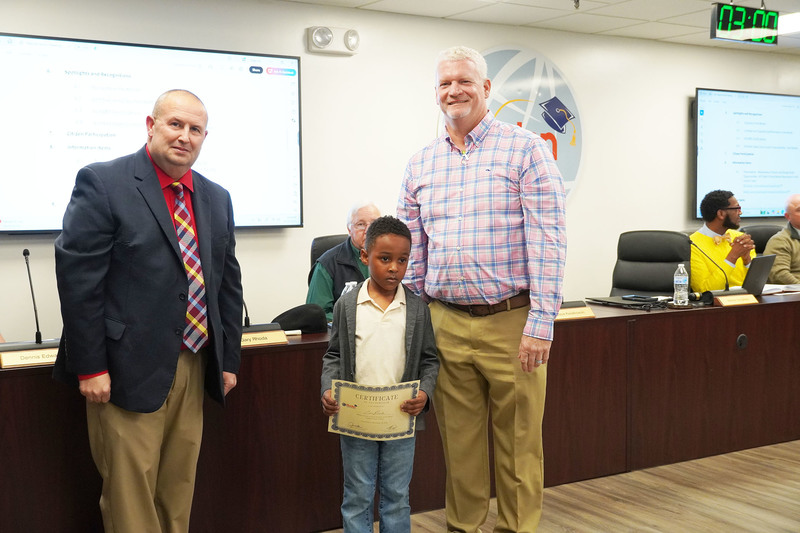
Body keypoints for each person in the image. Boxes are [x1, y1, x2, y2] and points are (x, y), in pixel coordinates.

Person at [54, 89, 243, 533]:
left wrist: (228, 360)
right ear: (150, 125)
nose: (185, 136)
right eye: (175, 124)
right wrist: (90, 367)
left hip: (193, 363)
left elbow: (227, 285)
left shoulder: (217, 197)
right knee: (130, 494)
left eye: (195, 129)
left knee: (178, 486)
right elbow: (79, 284)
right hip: (123, 369)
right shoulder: (103, 182)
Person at [397, 46, 567, 532]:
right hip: (445, 321)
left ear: (487, 88)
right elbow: (414, 252)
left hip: (512, 323)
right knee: (460, 444)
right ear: (436, 93)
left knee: (518, 446)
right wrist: (414, 324)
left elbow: (549, 241)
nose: (455, 90)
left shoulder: (526, 150)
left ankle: (516, 528)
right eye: (445, 83)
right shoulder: (421, 164)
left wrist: (541, 324)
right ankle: (464, 527)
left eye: (465, 81)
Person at [320, 215, 439, 533]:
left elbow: (430, 361)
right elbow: (333, 356)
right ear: (364, 256)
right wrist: (329, 390)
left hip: (401, 421)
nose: (394, 268)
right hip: (356, 420)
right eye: (384, 259)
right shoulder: (348, 306)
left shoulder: (417, 309)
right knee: (357, 497)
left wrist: (424, 394)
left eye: (402, 260)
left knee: (397, 497)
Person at [307, 202, 381, 322]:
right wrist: (356, 321)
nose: (368, 230)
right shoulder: (327, 264)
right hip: (346, 334)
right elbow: (317, 314)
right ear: (349, 229)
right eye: (361, 224)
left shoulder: (393, 259)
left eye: (374, 224)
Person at [690, 190, 756, 292]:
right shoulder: (692, 245)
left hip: (749, 301)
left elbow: (756, 284)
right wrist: (733, 256)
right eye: (737, 209)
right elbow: (704, 290)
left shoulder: (740, 238)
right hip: (718, 305)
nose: (740, 212)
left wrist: (747, 260)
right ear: (721, 214)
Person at [764, 194, 800, 284]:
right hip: (794, 293)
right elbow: (779, 275)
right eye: (799, 210)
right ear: (788, 216)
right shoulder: (780, 241)